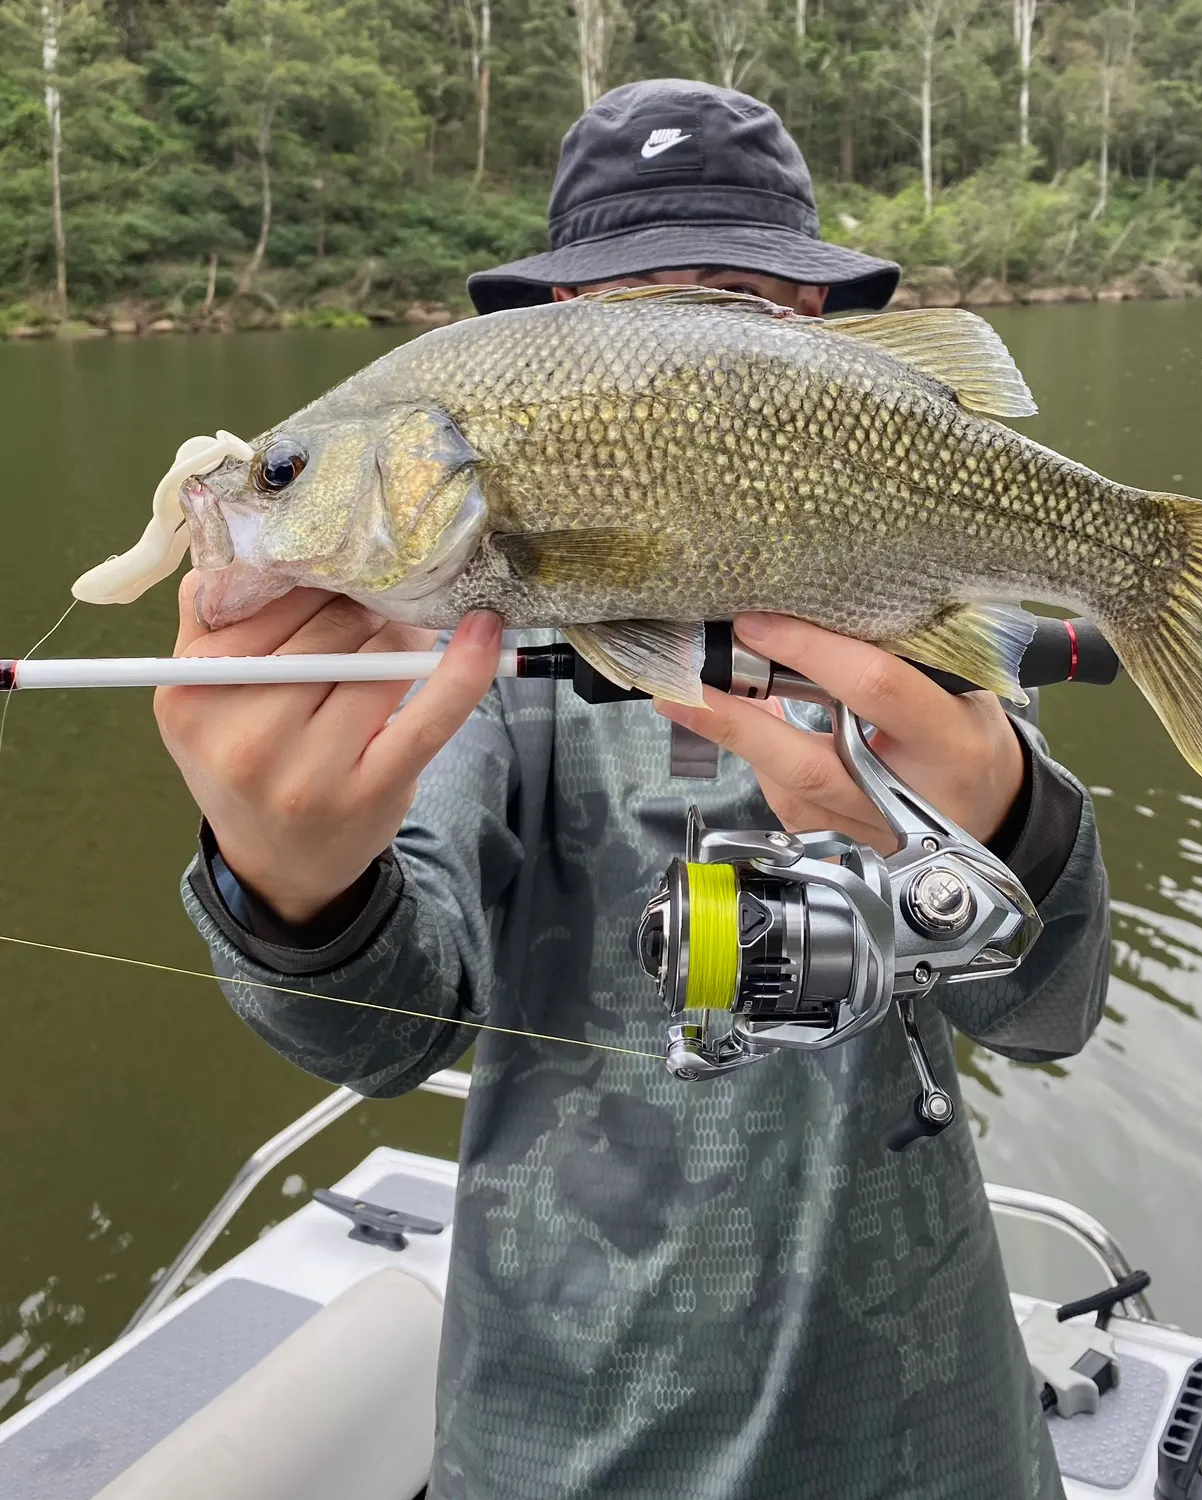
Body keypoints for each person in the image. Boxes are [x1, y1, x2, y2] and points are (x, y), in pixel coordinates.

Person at [156, 78, 1111, 1500]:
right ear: (555, 329)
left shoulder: (911, 646)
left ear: (819, 333)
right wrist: (291, 887)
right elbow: (384, 1040)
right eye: (637, 309)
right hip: (557, 1437)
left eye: (740, 304)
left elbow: (1045, 1014)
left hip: (932, 1427)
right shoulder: (461, 665)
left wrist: (997, 826)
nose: (683, 350)